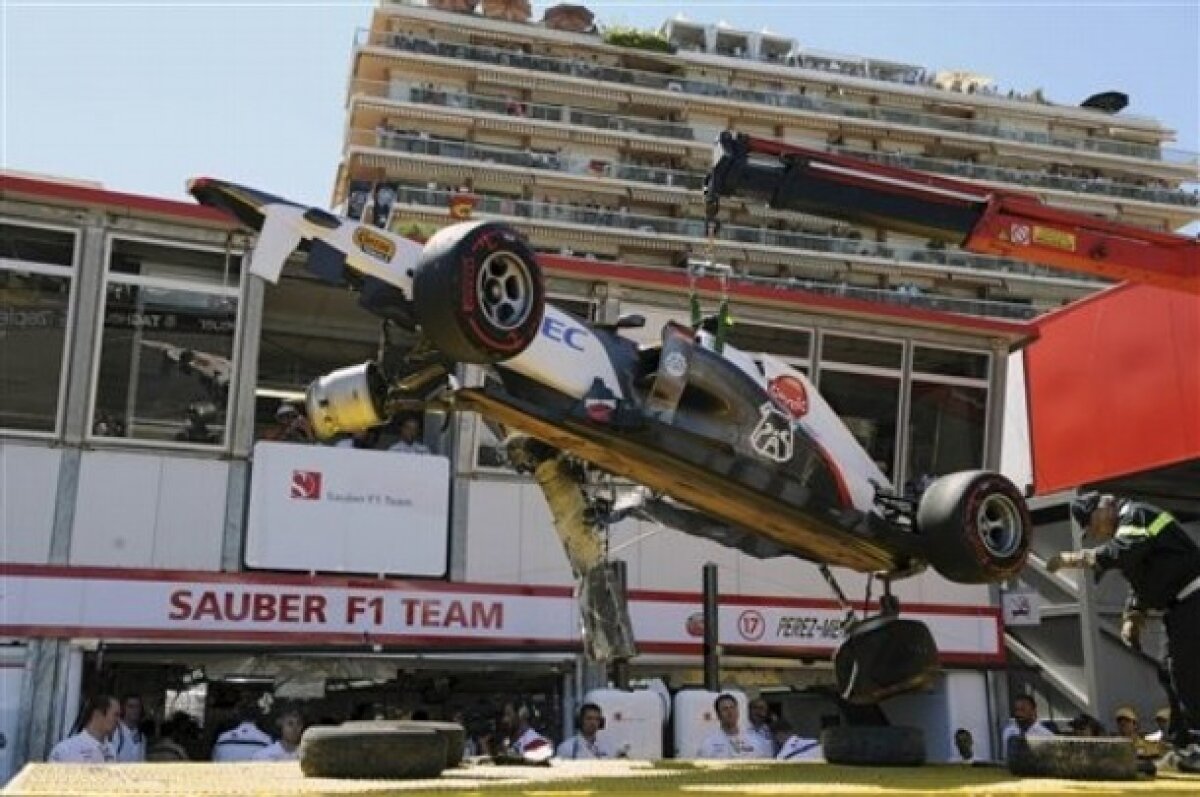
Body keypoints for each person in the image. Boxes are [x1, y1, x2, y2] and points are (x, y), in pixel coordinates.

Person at [1048, 492, 1200, 755]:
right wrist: (1133, 617)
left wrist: (1074, 559)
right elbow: (1142, 580)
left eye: (1092, 526)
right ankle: (1183, 743)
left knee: (1185, 672)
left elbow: (1122, 552)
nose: (1096, 533)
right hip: (1181, 607)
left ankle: (1193, 741)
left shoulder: (1136, 515)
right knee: (1169, 670)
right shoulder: (1132, 527)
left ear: (1102, 509)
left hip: (1194, 599)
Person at [49, 694, 120, 763]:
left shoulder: (111, 750)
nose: (118, 721)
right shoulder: (65, 750)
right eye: (115, 715)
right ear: (97, 714)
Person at [696, 693, 768, 759]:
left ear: (738, 711)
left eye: (732, 707)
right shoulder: (709, 744)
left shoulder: (755, 741)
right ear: (718, 715)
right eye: (725, 709)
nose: (730, 712)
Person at [112, 694, 146, 762]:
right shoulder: (113, 732)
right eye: (131, 706)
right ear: (123, 709)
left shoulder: (142, 737)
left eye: (138, 706)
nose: (135, 710)